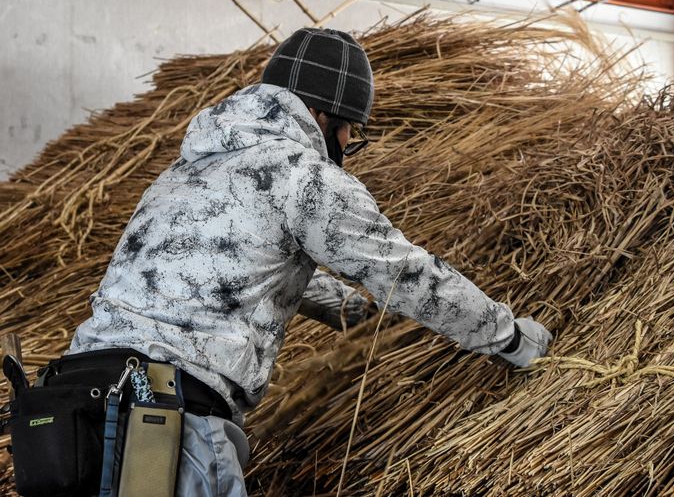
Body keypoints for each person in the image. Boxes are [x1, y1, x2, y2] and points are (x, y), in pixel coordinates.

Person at [40, 28, 551, 495]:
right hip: (164, 428)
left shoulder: (187, 171)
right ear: (323, 117)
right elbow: (407, 274)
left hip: (73, 417)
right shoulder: (302, 176)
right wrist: (508, 337)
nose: (349, 143)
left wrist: (353, 312)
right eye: (351, 130)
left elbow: (237, 272)